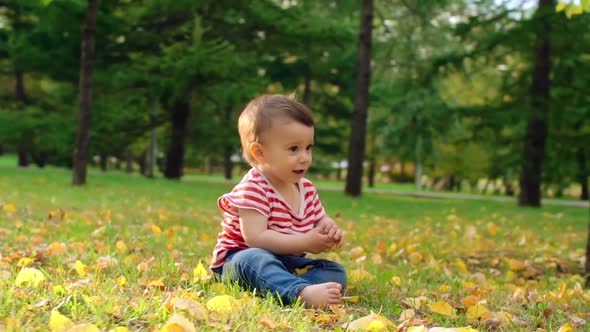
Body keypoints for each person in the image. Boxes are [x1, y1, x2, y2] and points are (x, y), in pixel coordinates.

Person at [209, 94, 347, 308]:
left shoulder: (306, 189)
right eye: (294, 149)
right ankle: (298, 292)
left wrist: (328, 229)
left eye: (308, 147)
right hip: (238, 262)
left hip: (285, 263)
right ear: (260, 152)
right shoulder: (254, 187)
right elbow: (256, 238)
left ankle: (284, 287)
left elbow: (320, 219)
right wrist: (306, 242)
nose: (304, 157)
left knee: (334, 272)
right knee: (254, 258)